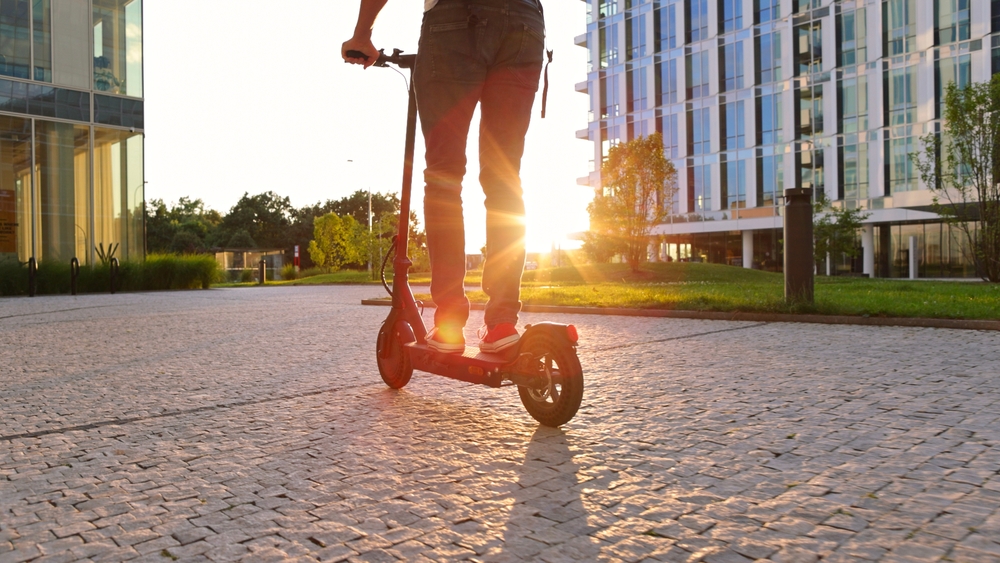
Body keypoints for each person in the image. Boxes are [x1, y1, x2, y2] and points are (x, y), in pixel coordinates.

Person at [343, 0, 545, 354]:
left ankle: (450, 323)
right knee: (504, 178)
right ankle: (501, 323)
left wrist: (362, 34)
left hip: (455, 20)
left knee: (444, 174)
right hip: (525, 23)